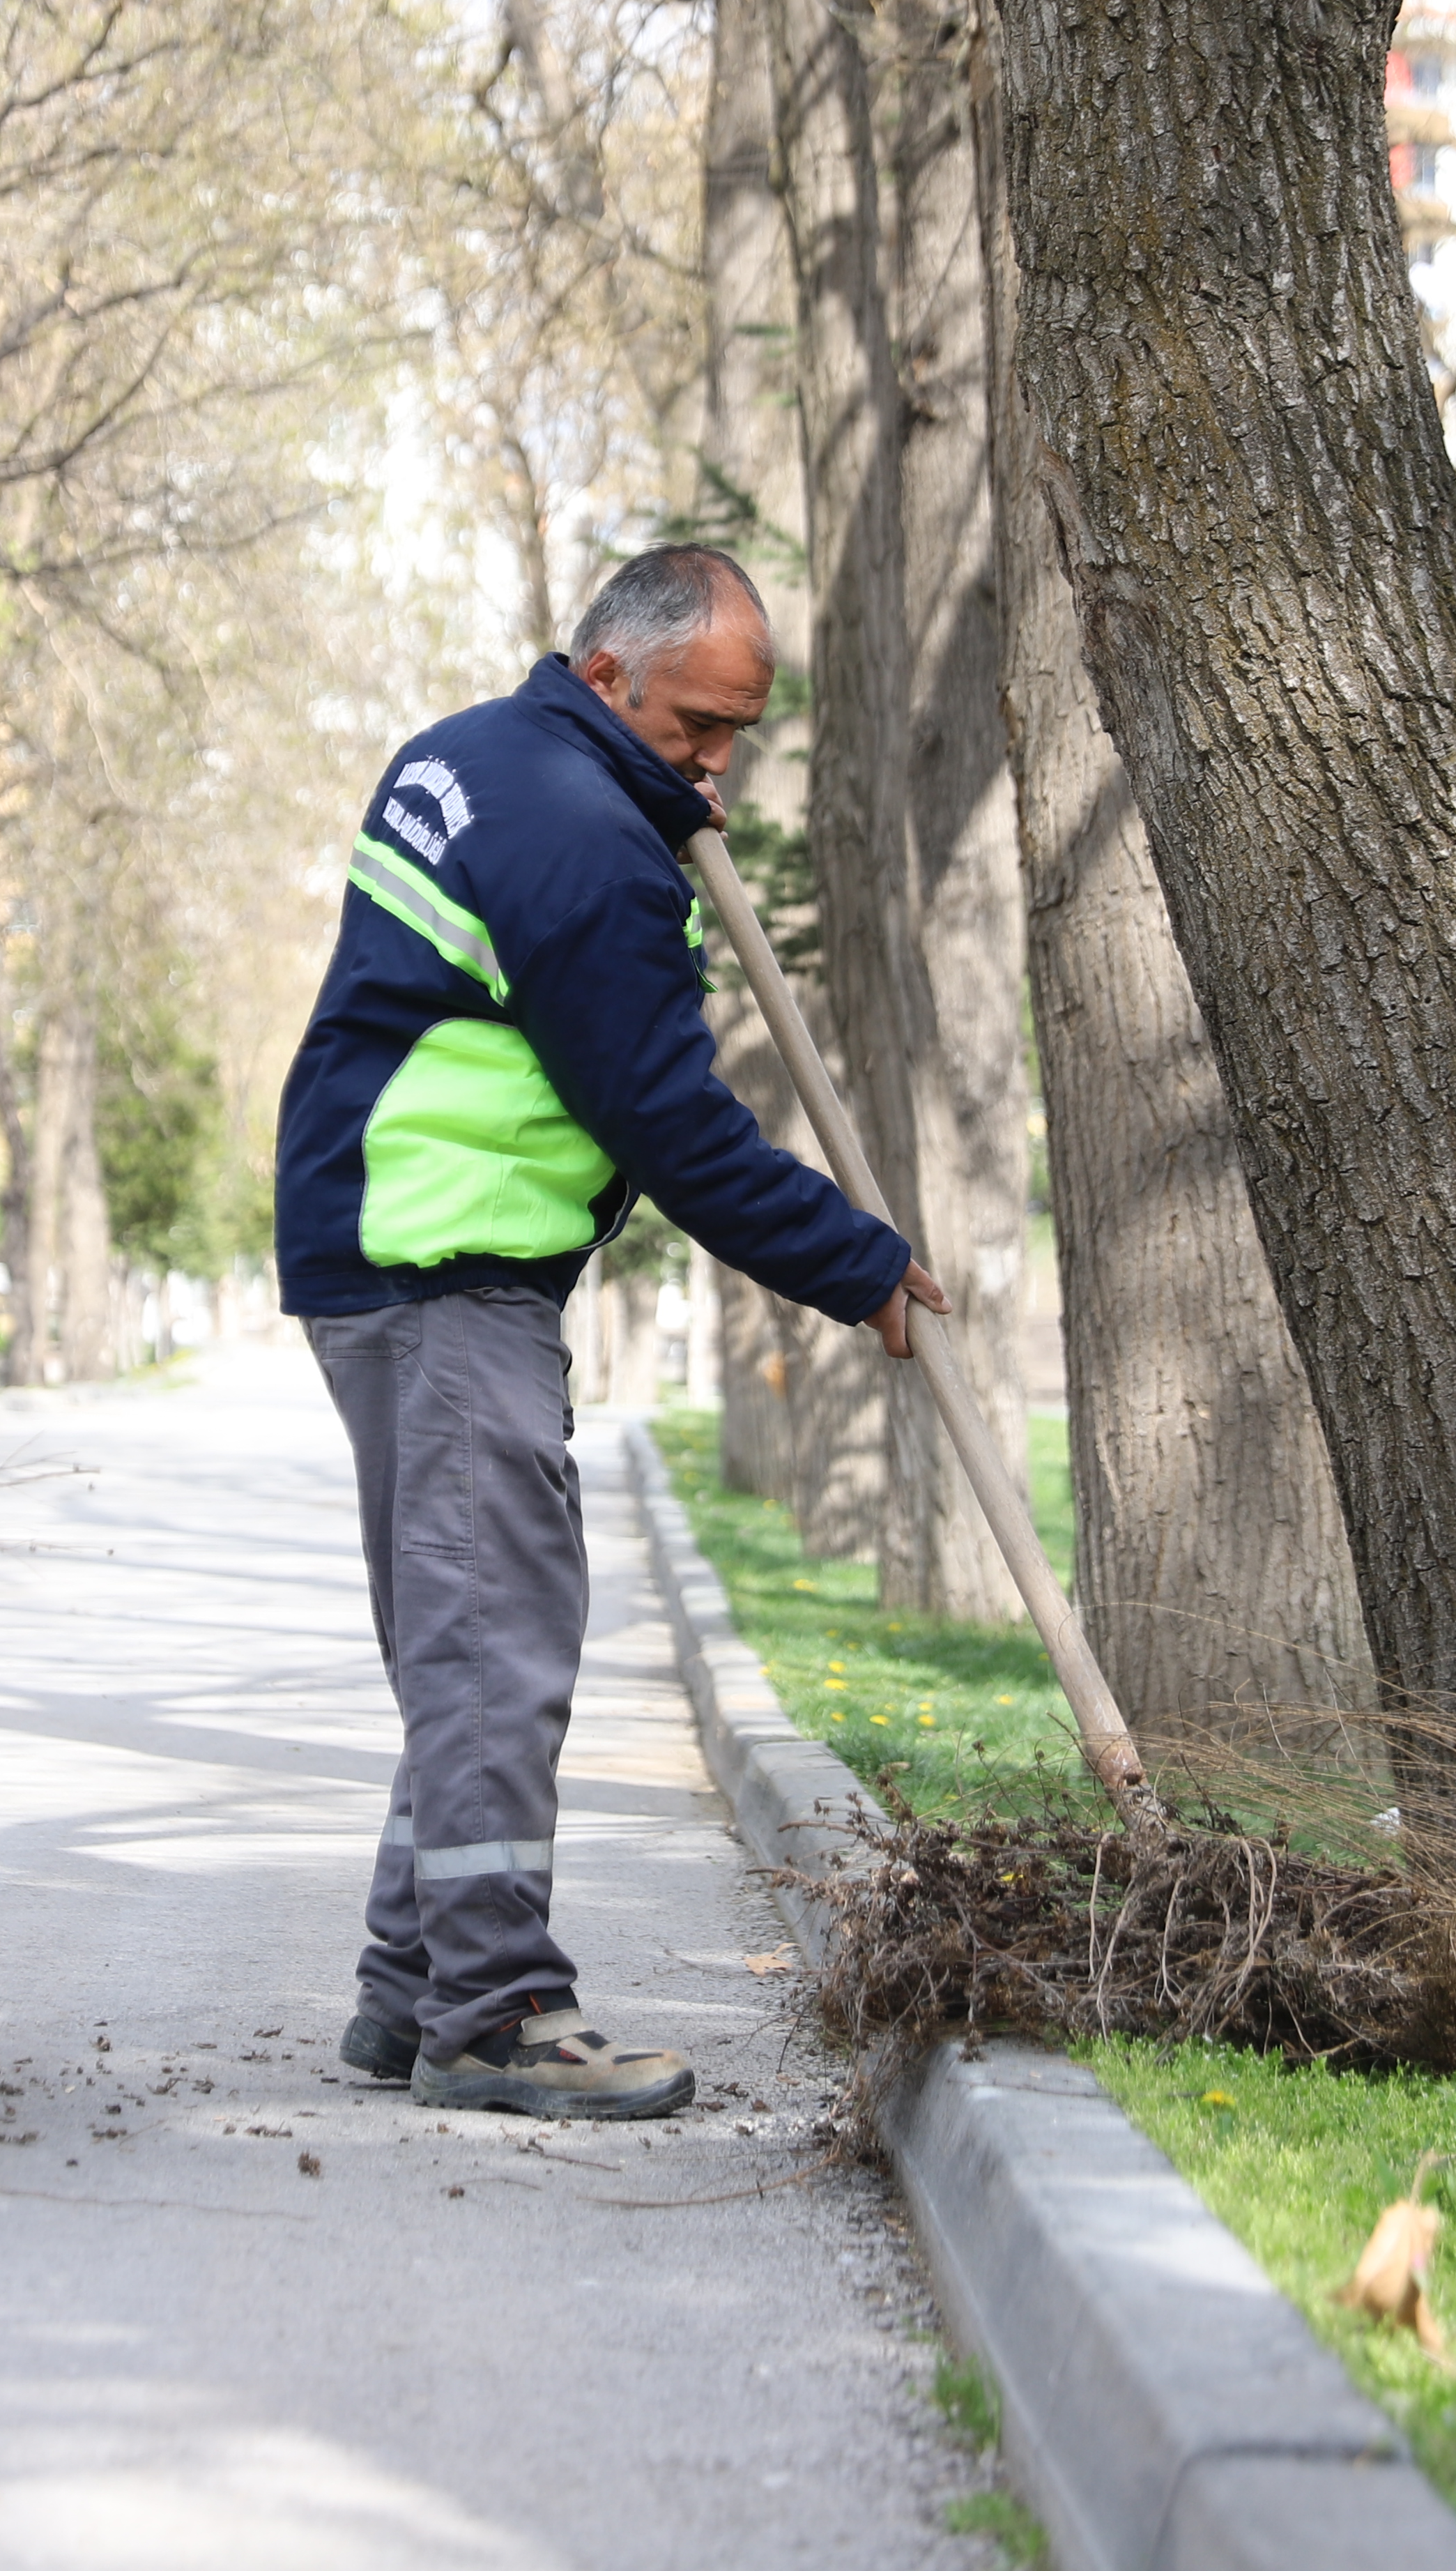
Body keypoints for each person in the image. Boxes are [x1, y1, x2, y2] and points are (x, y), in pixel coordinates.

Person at [275, 544, 947, 2122]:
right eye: (692, 731)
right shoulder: (583, 842)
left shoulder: (472, 755)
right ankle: (495, 2011)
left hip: (391, 1244)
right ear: (604, 678)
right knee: (497, 1639)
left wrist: (657, 800)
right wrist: (858, 1266)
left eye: (733, 736)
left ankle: (408, 1987)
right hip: (440, 1260)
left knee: (478, 1637)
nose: (715, 766)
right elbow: (676, 1129)